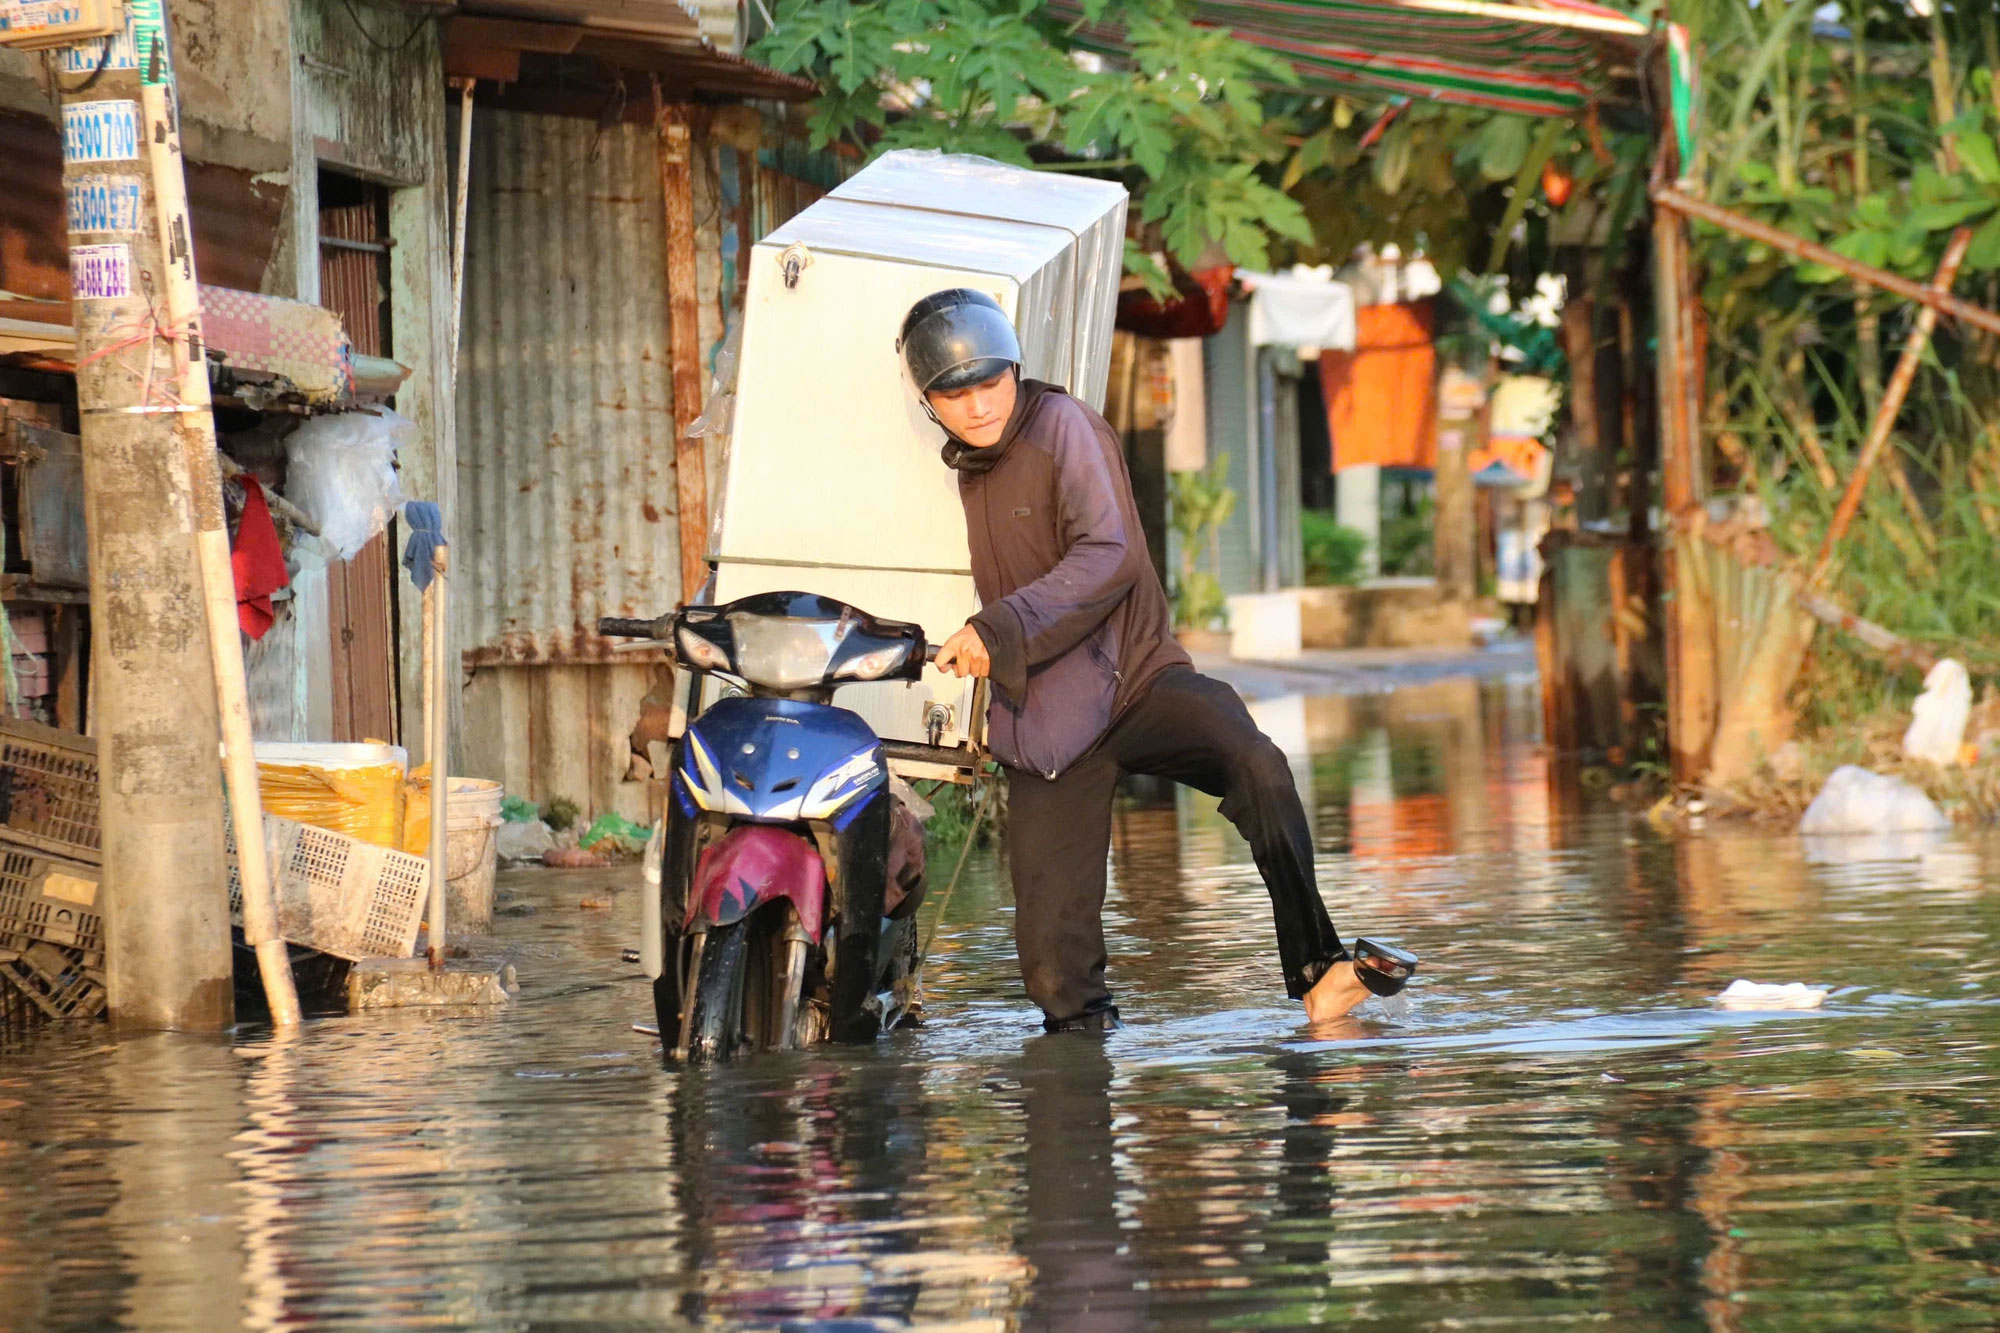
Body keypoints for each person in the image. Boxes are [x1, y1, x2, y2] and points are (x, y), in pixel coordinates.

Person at [898, 288, 1415, 1033]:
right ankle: (1083, 1084)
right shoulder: (955, 469)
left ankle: (1318, 968)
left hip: (1137, 682)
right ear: (929, 402)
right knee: (1053, 976)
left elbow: (1110, 553)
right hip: (1048, 728)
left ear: (1013, 370)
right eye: (956, 394)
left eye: (989, 384)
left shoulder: (1062, 427)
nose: (979, 407)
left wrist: (999, 626)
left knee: (1255, 762)